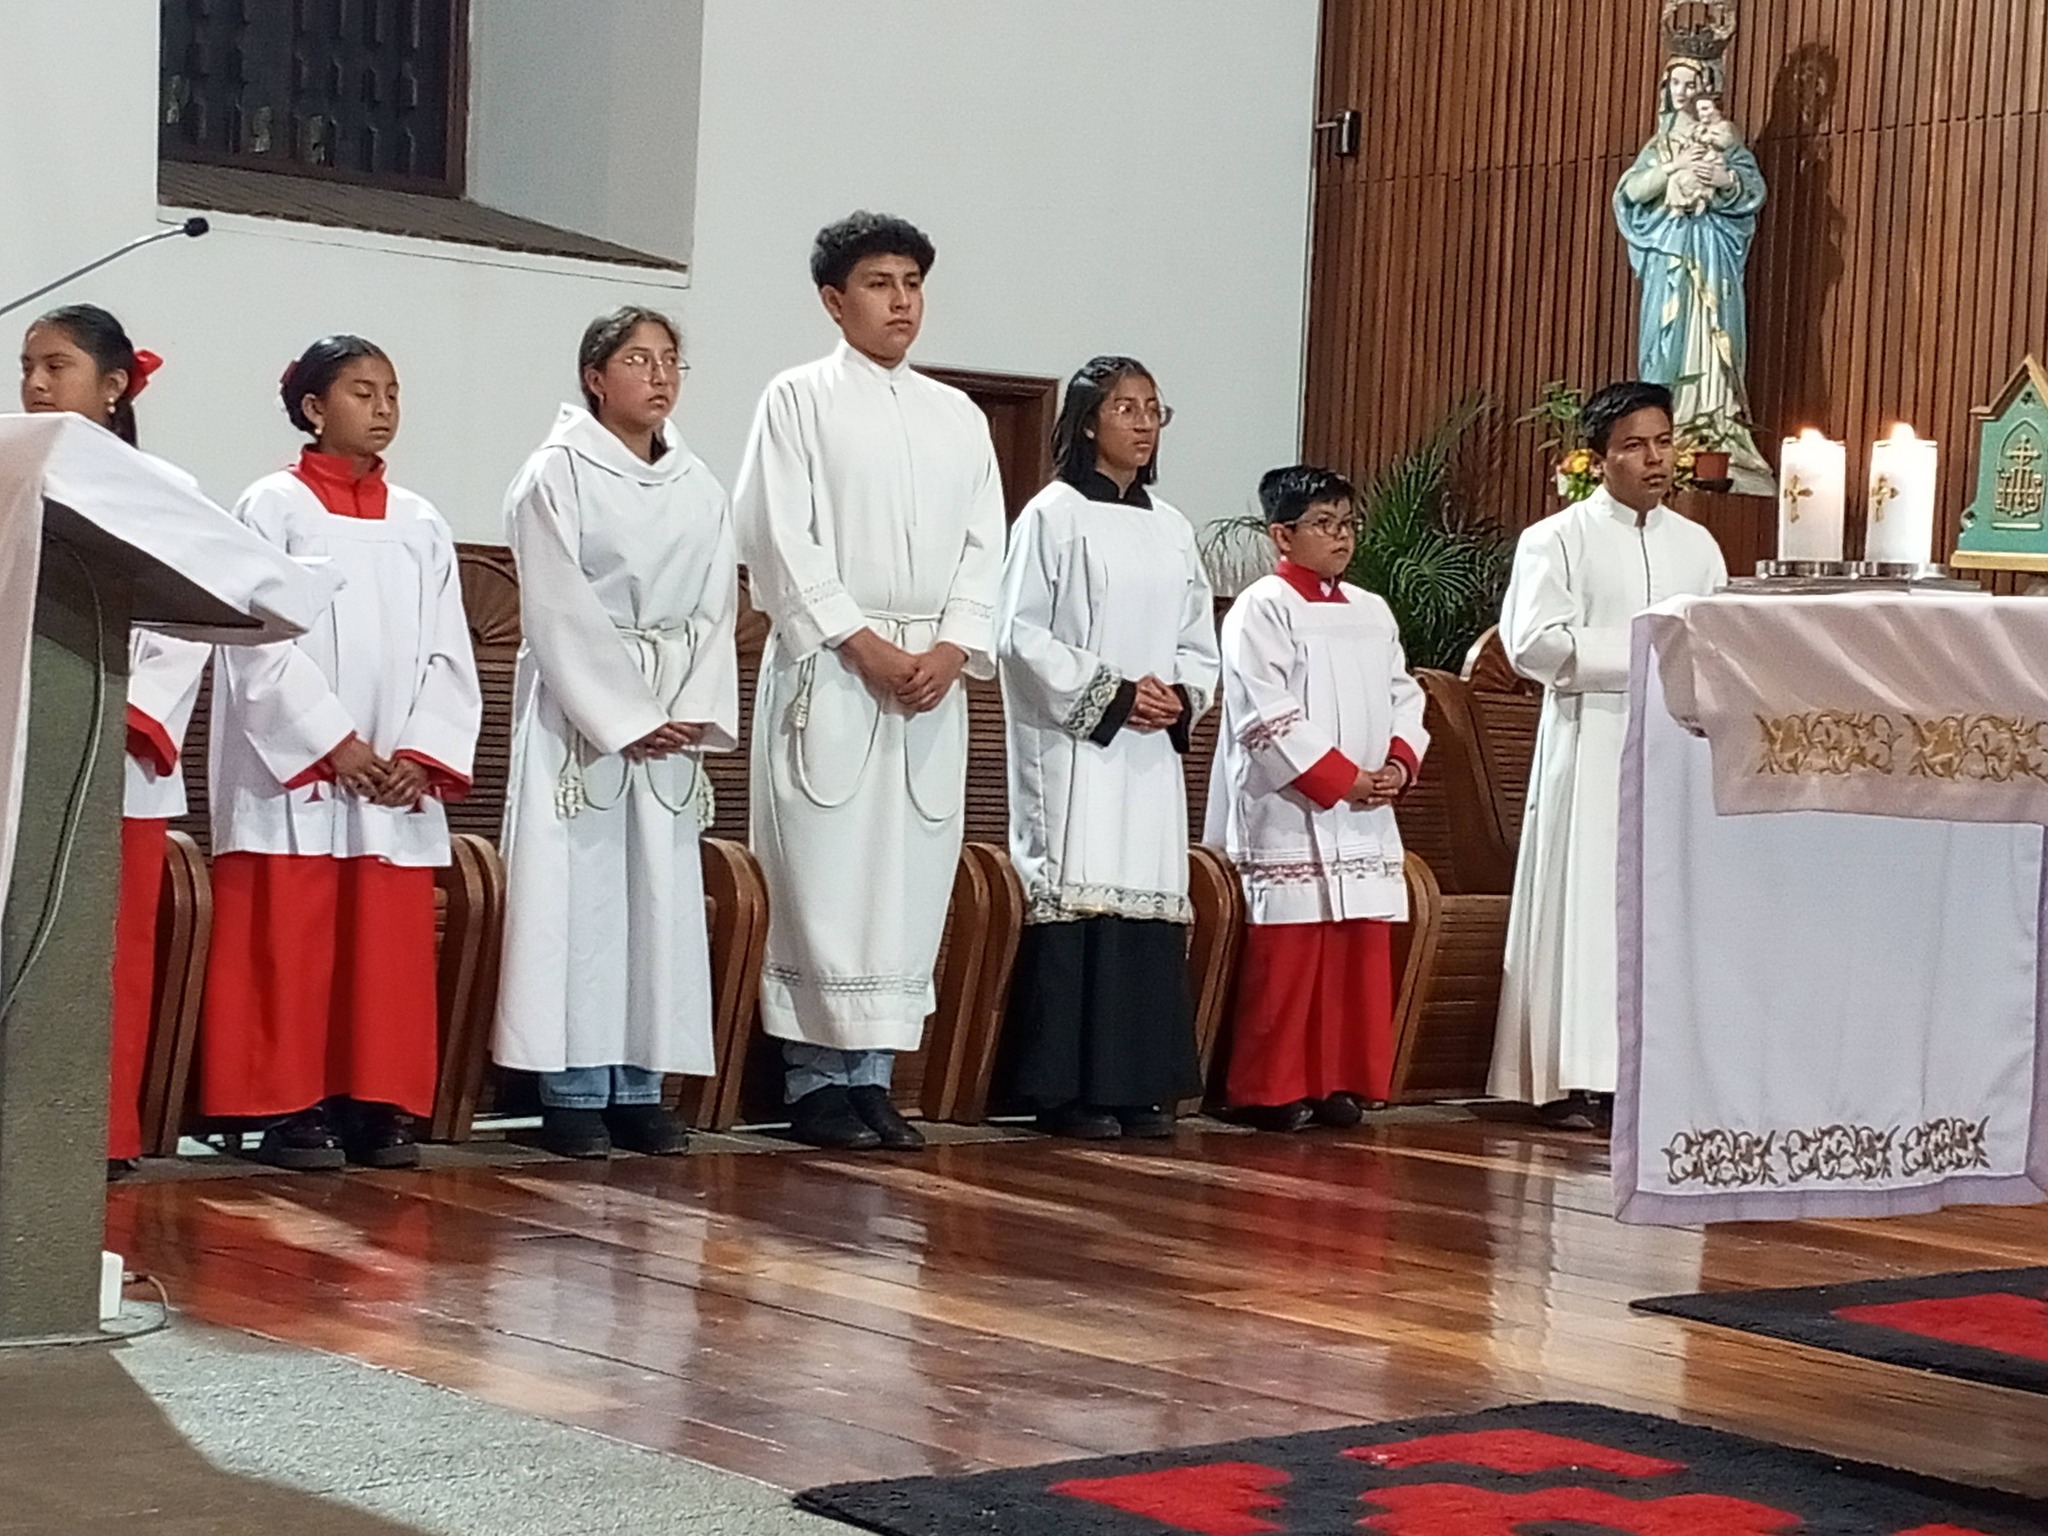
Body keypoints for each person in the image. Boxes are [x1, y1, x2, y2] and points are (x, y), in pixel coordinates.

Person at [732, 211, 1005, 1152]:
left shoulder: (958, 415)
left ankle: (875, 1079)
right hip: (837, 667)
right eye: (880, 284)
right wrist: (861, 643)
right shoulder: (797, 398)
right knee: (826, 871)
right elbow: (778, 533)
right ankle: (815, 1080)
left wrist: (953, 648)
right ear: (833, 300)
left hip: (929, 677)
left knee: (906, 877)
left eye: (912, 284)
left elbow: (986, 547)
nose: (901, 302)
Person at [202, 335, 481, 1169]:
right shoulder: (272, 506)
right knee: (290, 937)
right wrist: (335, 742)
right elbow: (254, 639)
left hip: (392, 777)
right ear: (314, 408)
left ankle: (375, 1101)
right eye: (363, 391)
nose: (384, 407)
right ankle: (288, 1105)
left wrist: (418, 753)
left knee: (383, 949)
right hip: (297, 777)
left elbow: (449, 650)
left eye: (392, 392)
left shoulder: (420, 522)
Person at [492, 307, 738, 1160]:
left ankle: (640, 1085)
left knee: (657, 902)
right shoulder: (555, 472)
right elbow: (555, 604)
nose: (660, 375)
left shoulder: (699, 485)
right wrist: (626, 715)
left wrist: (688, 706)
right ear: (595, 378)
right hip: (584, 717)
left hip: (669, 712)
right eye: (639, 359)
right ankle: (571, 1088)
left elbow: (717, 606)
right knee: (580, 900)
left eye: (671, 359)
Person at [1488, 380, 1727, 1129]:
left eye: (1664, 442)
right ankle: (1574, 1075)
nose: (1655, 459)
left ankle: (1651, 1071)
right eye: (1634, 446)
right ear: (1598, 460)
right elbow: (1533, 643)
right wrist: (1646, 653)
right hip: (1590, 737)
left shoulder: (1697, 545)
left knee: (1660, 903)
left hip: (1676, 743)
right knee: (1587, 902)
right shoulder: (1556, 539)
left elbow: (1716, 640)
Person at [993, 356, 1218, 1140]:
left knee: (1146, 900)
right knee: (1080, 894)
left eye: (1155, 408)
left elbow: (1198, 638)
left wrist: (1181, 694)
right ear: (1089, 421)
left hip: (1150, 753)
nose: (1145, 422)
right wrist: (1115, 693)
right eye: (1127, 407)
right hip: (1078, 749)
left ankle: (1137, 1084)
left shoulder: (1173, 527)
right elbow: (1018, 635)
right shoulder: (1051, 516)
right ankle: (1066, 1090)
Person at [19, 304, 207, 1178]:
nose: (34, 383)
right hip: (20, 751)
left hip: (116, 765)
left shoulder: (164, 489)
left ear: (115, 386)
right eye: (27, 366)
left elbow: (188, 629)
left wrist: (124, 715)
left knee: (111, 953)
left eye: (56, 366)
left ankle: (98, 1132)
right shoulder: (11, 475)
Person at [1205, 466, 1427, 1132]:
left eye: (1348, 523)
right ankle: (1270, 1089)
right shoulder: (1262, 608)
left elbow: (1405, 694)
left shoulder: (1371, 611)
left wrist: (1396, 764)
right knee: (1292, 952)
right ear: (1282, 535)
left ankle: (1340, 1080)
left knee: (1355, 947)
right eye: (1324, 524)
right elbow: (1262, 712)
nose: (1341, 536)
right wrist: (1339, 778)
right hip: (1291, 809)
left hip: (1365, 809)